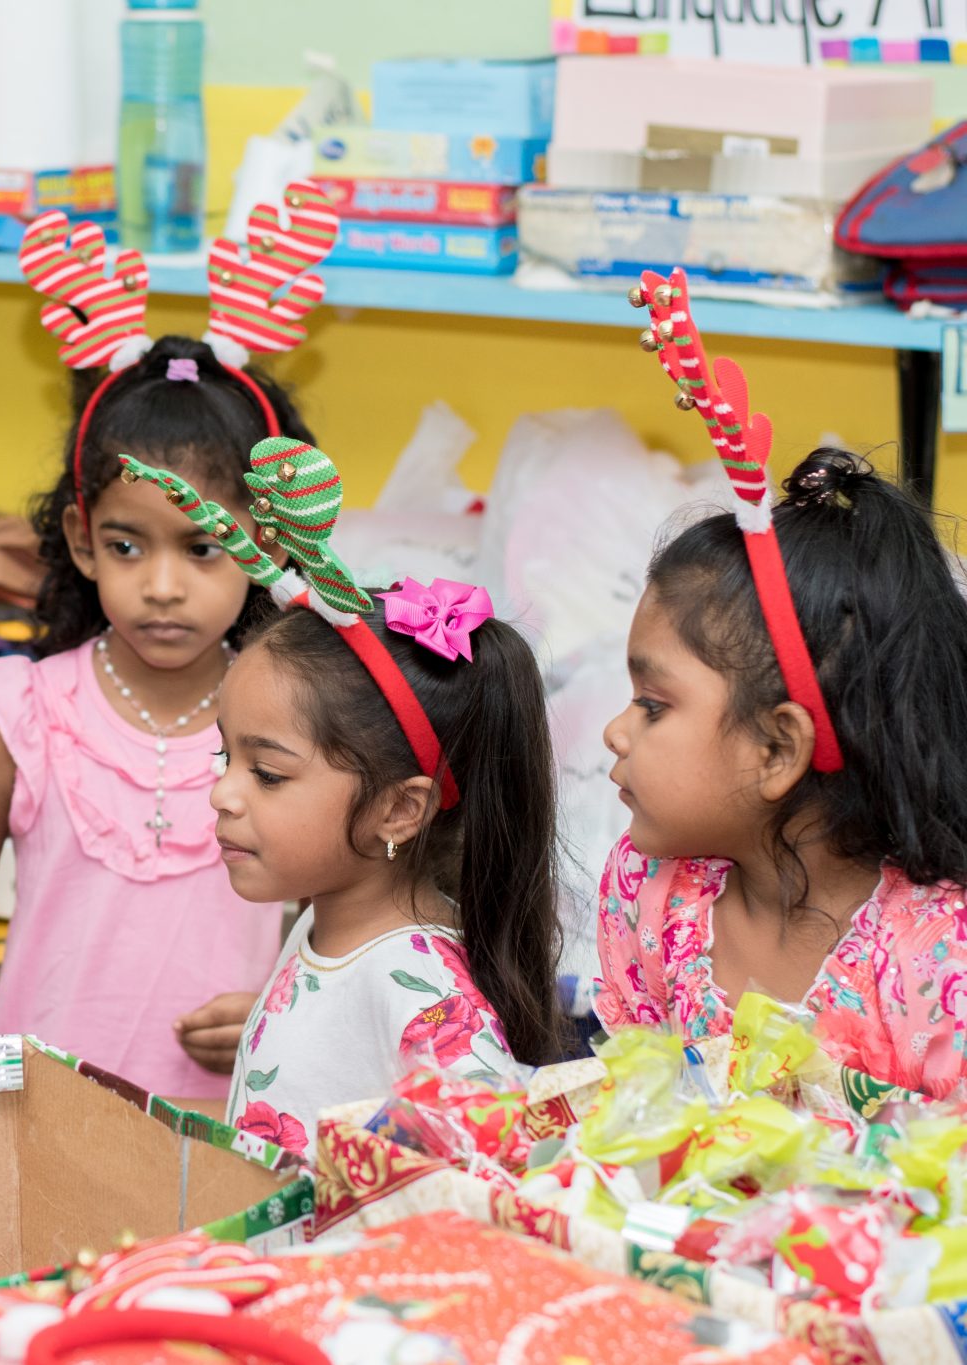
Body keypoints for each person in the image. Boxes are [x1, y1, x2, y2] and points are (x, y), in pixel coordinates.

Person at [0, 186, 346, 1098]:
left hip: (221, 1133)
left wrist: (281, 1007)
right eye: (127, 546)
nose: (163, 586)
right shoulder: (16, 723)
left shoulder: (301, 729)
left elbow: (348, 934)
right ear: (80, 540)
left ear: (266, 542)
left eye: (203, 547)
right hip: (26, 1126)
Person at [127, 440, 563, 1156]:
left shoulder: (423, 990)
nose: (222, 793)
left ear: (399, 810)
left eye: (268, 774)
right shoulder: (325, 923)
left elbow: (490, 1165)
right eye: (225, 756)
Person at [593, 272, 967, 1098]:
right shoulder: (648, 895)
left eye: (653, 704)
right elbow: (630, 1118)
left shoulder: (939, 966)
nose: (616, 732)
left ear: (777, 747)